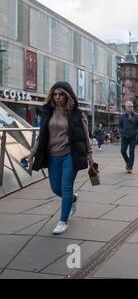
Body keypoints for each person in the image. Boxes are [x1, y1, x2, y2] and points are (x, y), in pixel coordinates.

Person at [22, 82, 93, 235]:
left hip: (70, 155)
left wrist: (90, 154)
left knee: (66, 187)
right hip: (53, 155)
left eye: (61, 94)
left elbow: (85, 136)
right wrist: (31, 154)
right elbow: (41, 137)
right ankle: (73, 198)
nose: (57, 97)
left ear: (67, 96)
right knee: (56, 188)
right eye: (55, 94)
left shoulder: (77, 114)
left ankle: (63, 221)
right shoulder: (49, 112)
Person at [118, 101, 138, 173]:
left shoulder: (137, 116)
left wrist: (136, 132)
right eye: (129, 106)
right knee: (122, 151)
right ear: (125, 107)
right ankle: (128, 162)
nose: (130, 108)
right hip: (124, 136)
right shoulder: (122, 116)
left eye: (131, 106)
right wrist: (121, 131)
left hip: (133, 137)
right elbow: (119, 126)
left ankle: (130, 167)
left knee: (131, 152)